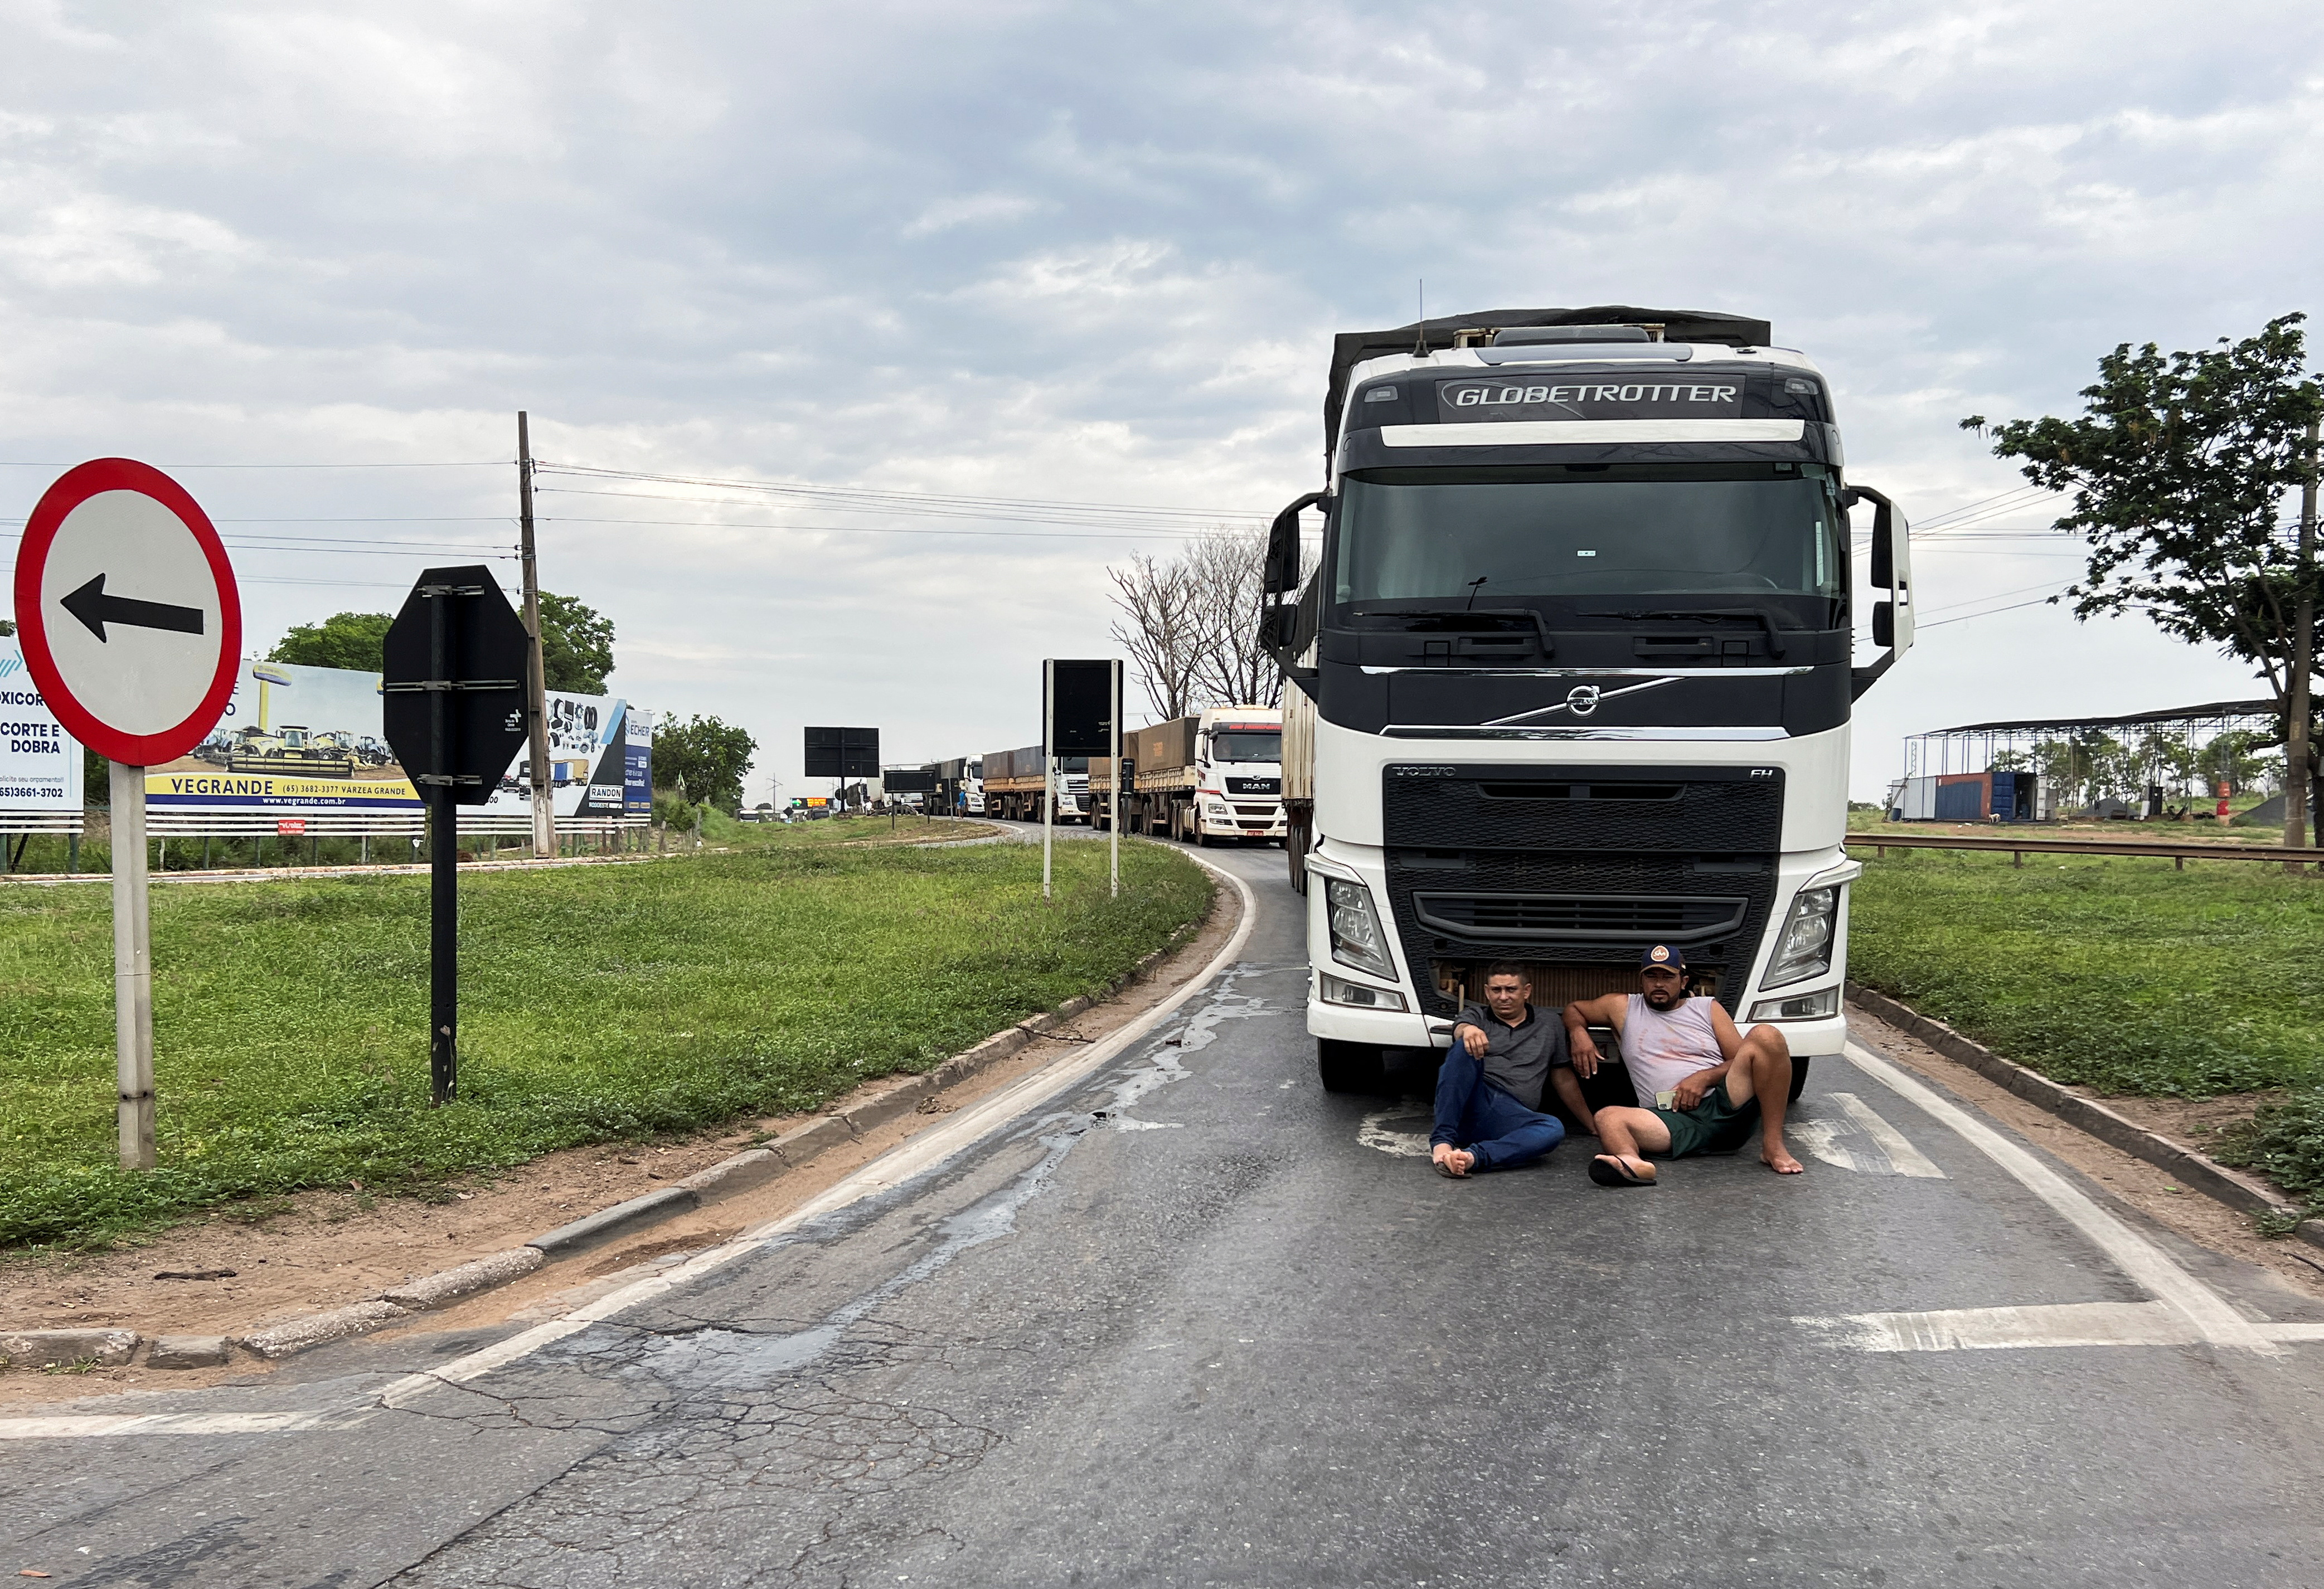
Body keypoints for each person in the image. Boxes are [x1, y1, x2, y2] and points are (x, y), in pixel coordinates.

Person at [1561, 944, 1802, 1185]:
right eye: (1651, 976)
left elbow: (1741, 1060)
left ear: (1683, 981)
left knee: (1766, 1035)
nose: (1659, 984)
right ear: (1641, 980)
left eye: (1668, 977)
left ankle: (1773, 1146)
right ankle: (1632, 1163)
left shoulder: (1707, 1008)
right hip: (1668, 1119)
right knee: (1607, 1117)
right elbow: (1574, 1009)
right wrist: (1578, 1033)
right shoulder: (1622, 1007)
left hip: (1723, 1105)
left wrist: (1704, 1078)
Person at [1431, 963, 1593, 1178]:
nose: (1503, 997)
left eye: (1511, 989)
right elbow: (1462, 1027)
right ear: (1487, 992)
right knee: (1463, 1047)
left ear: (1526, 991)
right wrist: (1468, 1030)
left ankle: (1470, 1158)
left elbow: (1562, 1077)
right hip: (1474, 1099)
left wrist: (1591, 1124)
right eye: (1496, 990)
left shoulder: (1550, 1023)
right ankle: (1442, 1144)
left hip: (1511, 1115)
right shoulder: (1476, 1016)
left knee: (1553, 1128)